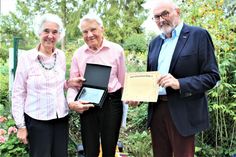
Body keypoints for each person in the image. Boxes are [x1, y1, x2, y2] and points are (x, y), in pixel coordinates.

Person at [128, 0, 220, 156]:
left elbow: (212, 77)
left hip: (183, 110)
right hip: (157, 111)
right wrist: (138, 97)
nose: (161, 20)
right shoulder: (154, 44)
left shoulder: (198, 35)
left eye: (165, 13)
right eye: (156, 16)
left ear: (177, 11)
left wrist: (180, 83)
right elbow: (150, 79)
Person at [11, 13, 93, 157]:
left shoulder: (60, 56)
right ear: (39, 32)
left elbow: (55, 86)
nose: (50, 36)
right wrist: (21, 126)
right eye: (46, 31)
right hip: (37, 120)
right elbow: (18, 93)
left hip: (60, 118)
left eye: (55, 32)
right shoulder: (27, 58)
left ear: (59, 35)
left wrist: (68, 83)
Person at [67, 13, 126, 157]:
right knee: (90, 149)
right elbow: (73, 85)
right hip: (88, 104)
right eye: (85, 32)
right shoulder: (78, 54)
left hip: (112, 103)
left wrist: (131, 98)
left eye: (93, 29)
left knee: (109, 148)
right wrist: (71, 103)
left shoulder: (116, 50)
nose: (89, 34)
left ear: (102, 29)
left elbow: (124, 81)